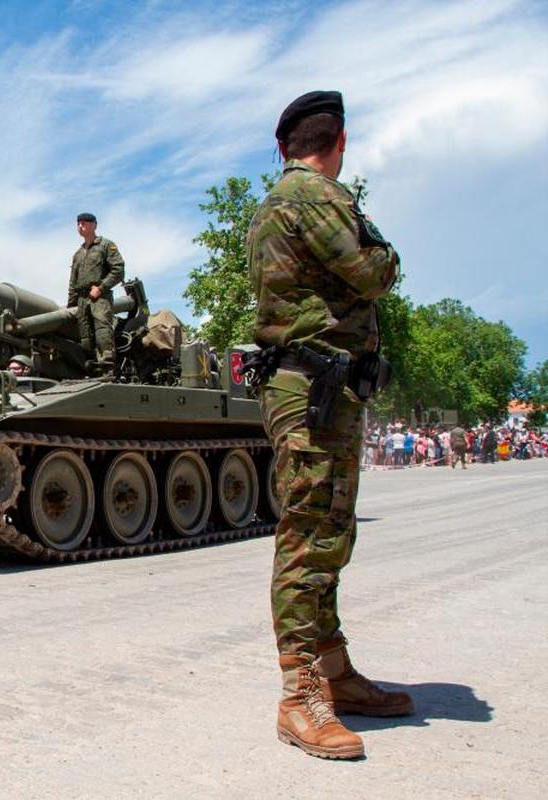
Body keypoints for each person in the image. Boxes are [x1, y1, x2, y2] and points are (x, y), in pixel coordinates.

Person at [247, 90, 410, 760]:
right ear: (338, 142)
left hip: (321, 384)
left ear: (283, 145)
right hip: (314, 385)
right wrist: (387, 255)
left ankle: (333, 671)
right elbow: (374, 271)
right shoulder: (316, 196)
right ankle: (300, 697)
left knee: (329, 533)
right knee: (311, 536)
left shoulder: (274, 204)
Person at [67, 212, 125, 371]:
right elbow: (73, 282)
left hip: (99, 296)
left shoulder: (105, 245)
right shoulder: (78, 254)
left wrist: (101, 288)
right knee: (85, 335)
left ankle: (107, 367)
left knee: (102, 330)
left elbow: (118, 270)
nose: (80, 226)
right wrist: (71, 305)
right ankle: (91, 367)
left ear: (94, 225)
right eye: (78, 223)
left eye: (84, 223)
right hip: (81, 298)